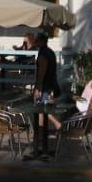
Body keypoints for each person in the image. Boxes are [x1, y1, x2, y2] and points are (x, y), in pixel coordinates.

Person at [27, 31, 62, 159]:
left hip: (45, 88)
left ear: (41, 41)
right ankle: (43, 142)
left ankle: (41, 142)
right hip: (51, 86)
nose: (35, 42)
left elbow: (41, 72)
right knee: (43, 113)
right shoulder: (51, 52)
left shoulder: (43, 54)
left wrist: (38, 88)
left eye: (37, 40)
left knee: (41, 113)